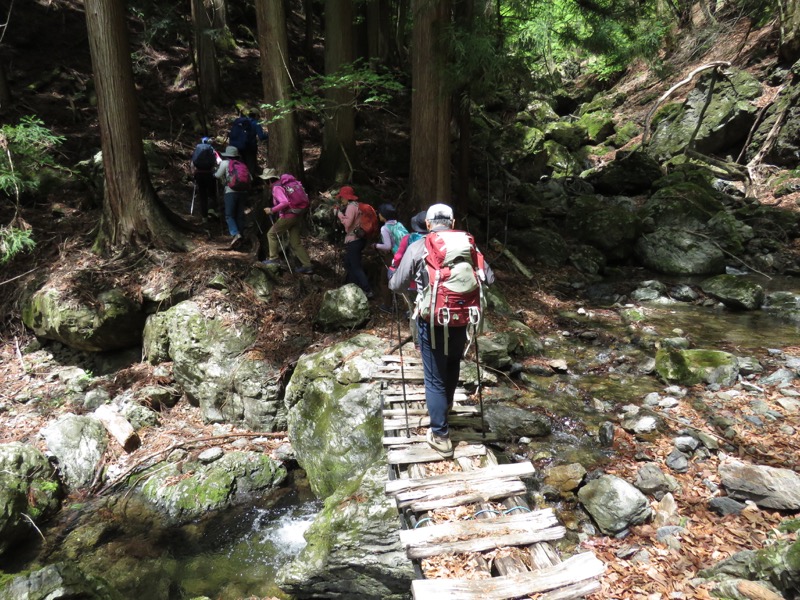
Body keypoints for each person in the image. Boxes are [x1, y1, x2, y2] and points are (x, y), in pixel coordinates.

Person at [389, 203, 494, 458]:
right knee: (453, 364)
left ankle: (440, 435)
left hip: (433, 319)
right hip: (461, 317)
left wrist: (393, 277)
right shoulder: (470, 245)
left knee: (434, 376)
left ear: (428, 224)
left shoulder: (421, 245)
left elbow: (397, 284)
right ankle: (444, 409)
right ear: (453, 221)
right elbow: (489, 278)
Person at [261, 170, 314, 274]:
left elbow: (284, 202)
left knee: (271, 234)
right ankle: (307, 265)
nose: (265, 184)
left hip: (289, 216)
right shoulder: (286, 185)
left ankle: (274, 258)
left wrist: (272, 210)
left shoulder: (276, 187)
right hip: (298, 215)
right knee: (295, 242)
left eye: (265, 181)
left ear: (269, 180)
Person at [334, 185, 373, 299]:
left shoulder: (351, 207)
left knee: (355, 266)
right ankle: (352, 287)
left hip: (354, 240)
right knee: (348, 263)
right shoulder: (356, 205)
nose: (341, 199)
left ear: (346, 197)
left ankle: (367, 290)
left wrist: (338, 214)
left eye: (342, 197)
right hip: (359, 239)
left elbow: (348, 224)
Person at [372, 203, 408, 313]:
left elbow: (387, 246)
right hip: (405, 255)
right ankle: (408, 309)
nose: (378, 215)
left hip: (392, 257)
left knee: (384, 281)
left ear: (383, 215)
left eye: (379, 214)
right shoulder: (399, 225)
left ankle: (387, 306)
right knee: (403, 281)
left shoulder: (385, 228)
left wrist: (375, 246)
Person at [214, 145, 249, 248]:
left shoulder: (225, 163)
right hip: (243, 192)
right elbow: (249, 177)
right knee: (240, 215)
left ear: (228, 155)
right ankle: (241, 235)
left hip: (230, 191)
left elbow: (217, 175)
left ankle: (235, 234)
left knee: (229, 215)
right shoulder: (243, 165)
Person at [190, 137, 220, 221]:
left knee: (202, 195)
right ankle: (211, 210)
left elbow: (192, 163)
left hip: (199, 174)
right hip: (209, 174)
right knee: (211, 193)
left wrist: (193, 172)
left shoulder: (197, 150)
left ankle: (204, 217)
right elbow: (219, 162)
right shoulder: (212, 150)